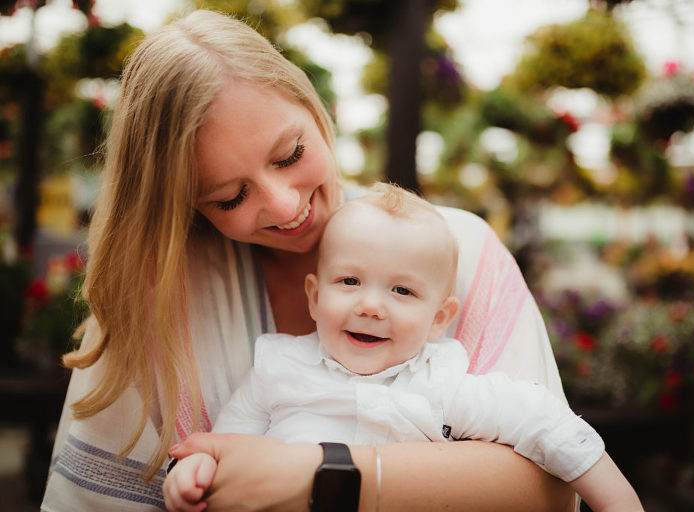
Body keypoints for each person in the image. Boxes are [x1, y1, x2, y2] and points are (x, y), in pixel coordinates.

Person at [44, 9, 579, 512]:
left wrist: (323, 474)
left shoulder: (464, 249)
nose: (284, 205)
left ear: (309, 102)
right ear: (183, 202)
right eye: (228, 197)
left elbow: (554, 485)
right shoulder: (155, 300)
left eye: (290, 155)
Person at [162, 184, 643, 512]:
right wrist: (195, 473)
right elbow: (226, 446)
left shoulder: (444, 384)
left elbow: (547, 424)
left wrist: (619, 503)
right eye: (349, 281)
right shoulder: (277, 368)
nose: (371, 306)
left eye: (402, 292)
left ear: (440, 319)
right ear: (314, 295)